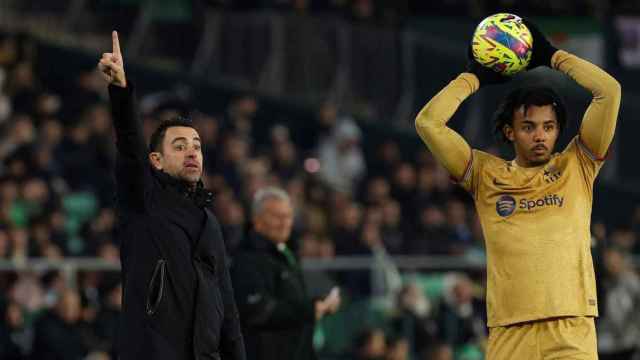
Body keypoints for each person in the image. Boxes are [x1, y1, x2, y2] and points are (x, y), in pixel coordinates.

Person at [414, 19, 621, 360]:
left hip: (570, 329)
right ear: (510, 132)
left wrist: (553, 56)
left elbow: (609, 91)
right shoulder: (484, 174)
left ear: (557, 132)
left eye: (548, 127)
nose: (540, 135)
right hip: (509, 333)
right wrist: (474, 76)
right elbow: (428, 123)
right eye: (528, 127)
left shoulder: (578, 165)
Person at [97, 31, 245, 360]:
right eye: (179, 147)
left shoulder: (210, 222)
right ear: (157, 161)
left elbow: (228, 307)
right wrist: (121, 91)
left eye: (197, 146)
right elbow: (131, 149)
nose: (192, 153)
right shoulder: (144, 201)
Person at [231, 187, 341, 360]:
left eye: (288, 216)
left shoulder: (286, 253)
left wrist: (318, 305)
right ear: (257, 220)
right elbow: (259, 311)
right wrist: (310, 310)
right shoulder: (247, 260)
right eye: (277, 216)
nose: (285, 222)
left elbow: (290, 300)